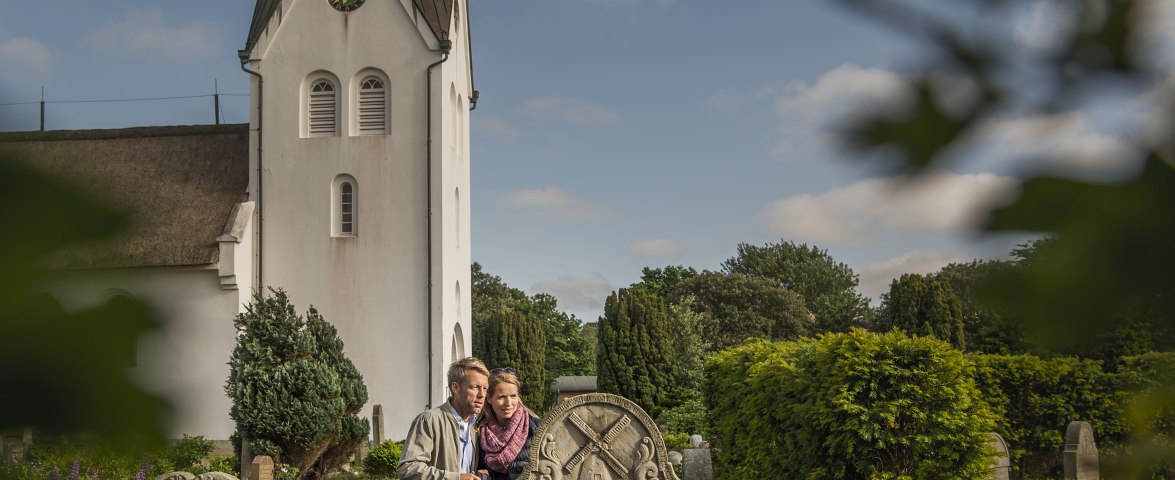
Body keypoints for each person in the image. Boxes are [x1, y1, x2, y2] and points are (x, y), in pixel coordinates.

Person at [399, 357, 490, 480]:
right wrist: (456, 478)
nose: (482, 395)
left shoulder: (476, 426)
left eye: (485, 388)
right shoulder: (429, 420)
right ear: (455, 388)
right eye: (475, 387)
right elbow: (408, 468)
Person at [475, 368, 542, 480]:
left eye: (513, 396)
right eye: (501, 397)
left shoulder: (537, 428)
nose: (508, 403)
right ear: (489, 399)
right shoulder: (479, 433)